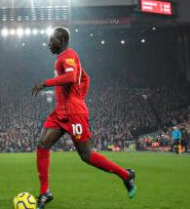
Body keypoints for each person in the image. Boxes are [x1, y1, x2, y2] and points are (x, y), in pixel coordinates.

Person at [31, 27, 136, 208]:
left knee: (87, 156)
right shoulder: (65, 58)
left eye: (52, 40)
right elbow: (86, 78)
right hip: (60, 113)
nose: (49, 44)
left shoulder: (68, 56)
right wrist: (79, 97)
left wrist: (46, 83)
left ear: (62, 40)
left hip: (74, 114)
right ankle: (45, 192)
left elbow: (72, 77)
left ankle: (126, 175)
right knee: (42, 144)